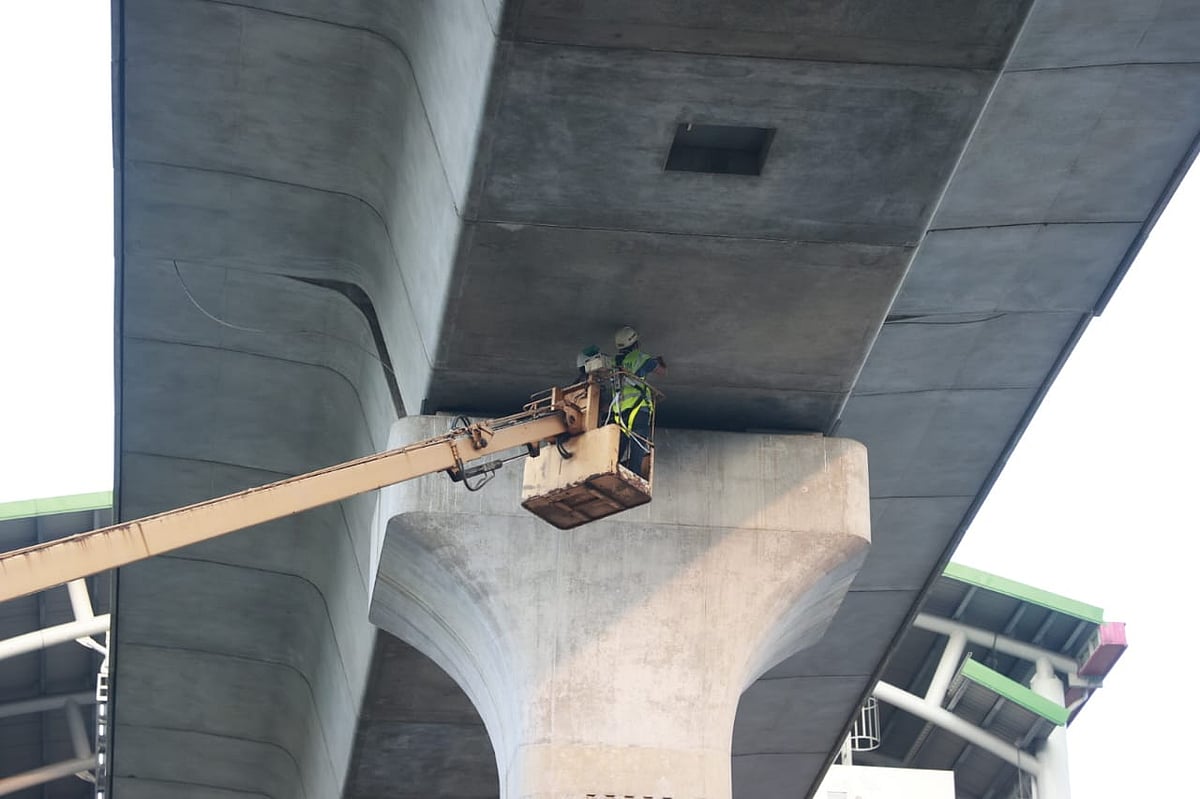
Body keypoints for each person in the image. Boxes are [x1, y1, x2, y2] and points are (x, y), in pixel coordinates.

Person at [611, 325, 666, 479]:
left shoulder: (613, 363)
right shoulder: (639, 357)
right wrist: (660, 361)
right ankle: (634, 477)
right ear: (635, 342)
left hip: (620, 413)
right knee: (637, 447)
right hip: (638, 409)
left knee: (617, 450)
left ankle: (612, 474)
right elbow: (662, 371)